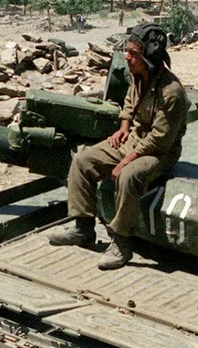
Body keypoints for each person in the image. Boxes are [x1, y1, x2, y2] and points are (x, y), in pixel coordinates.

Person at [48, 23, 189, 270]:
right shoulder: (138, 75)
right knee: (83, 160)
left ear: (149, 58)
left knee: (128, 176)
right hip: (135, 139)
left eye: (133, 53)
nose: (127, 56)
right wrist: (124, 127)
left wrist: (126, 160)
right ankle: (83, 228)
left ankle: (121, 243)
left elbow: (160, 138)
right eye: (128, 51)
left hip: (160, 152)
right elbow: (128, 102)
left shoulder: (172, 93)